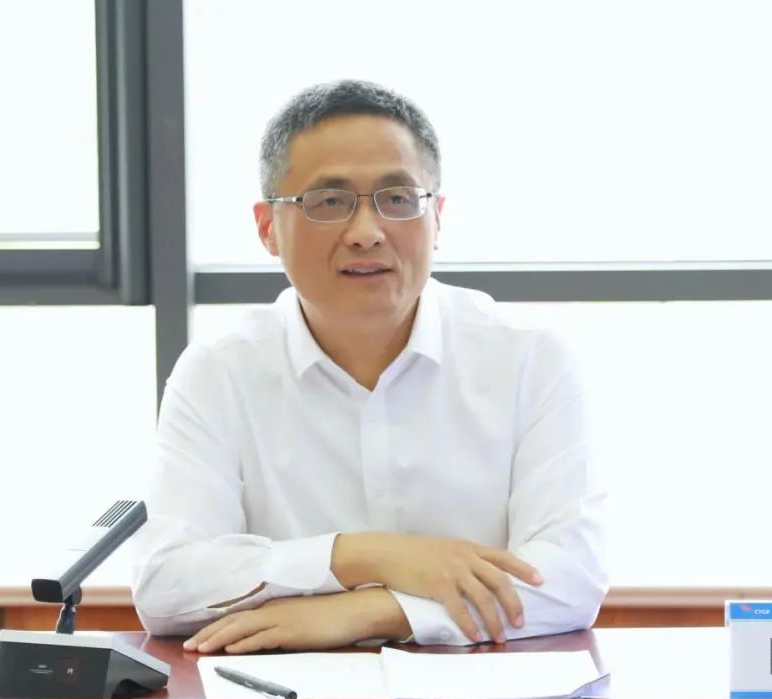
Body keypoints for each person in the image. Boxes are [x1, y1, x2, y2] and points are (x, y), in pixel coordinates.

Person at [131, 79, 607, 653]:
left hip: (480, 694)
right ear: (267, 228)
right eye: (329, 202)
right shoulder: (218, 373)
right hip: (285, 693)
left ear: (437, 218)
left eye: (397, 199)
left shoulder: (530, 359)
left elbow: (570, 577)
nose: (366, 233)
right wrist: (364, 555)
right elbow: (166, 584)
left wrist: (372, 611)